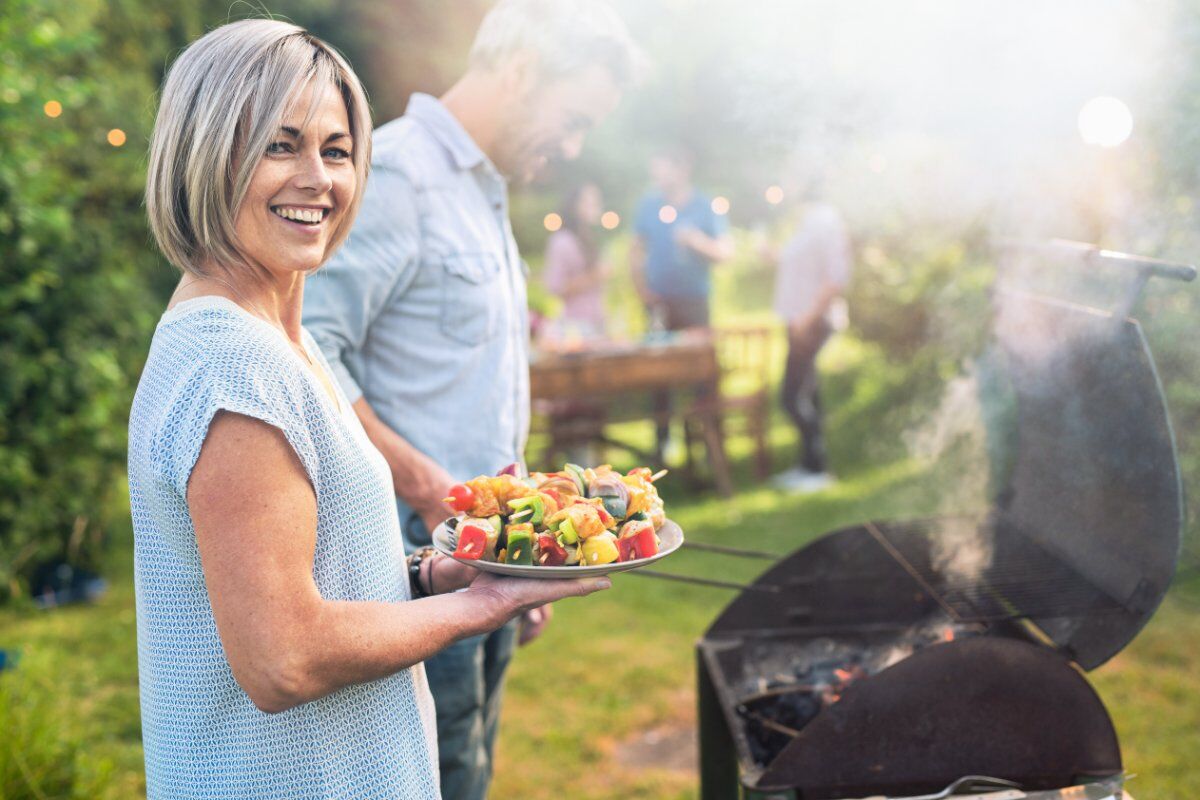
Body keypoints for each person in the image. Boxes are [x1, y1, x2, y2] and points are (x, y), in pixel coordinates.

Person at [129, 20, 609, 799]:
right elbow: (284, 657)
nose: (318, 178)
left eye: (338, 150)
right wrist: (482, 604)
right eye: (279, 146)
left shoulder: (279, 339)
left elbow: (313, 579)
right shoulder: (232, 365)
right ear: (209, 153)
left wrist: (430, 574)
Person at [301, 3, 641, 798]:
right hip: (409, 570)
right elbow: (308, 353)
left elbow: (474, 394)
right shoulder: (394, 174)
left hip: (483, 558)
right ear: (522, 72)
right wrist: (428, 491)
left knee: (471, 770)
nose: (573, 144)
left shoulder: (484, 189)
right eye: (574, 117)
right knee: (436, 776)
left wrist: (518, 545)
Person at [630, 147, 734, 460]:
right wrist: (642, 291)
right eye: (655, 169)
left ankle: (708, 446)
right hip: (658, 303)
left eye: (662, 168)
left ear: (682, 168)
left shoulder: (705, 206)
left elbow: (725, 253)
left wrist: (695, 241)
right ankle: (662, 446)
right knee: (658, 376)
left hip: (695, 302)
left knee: (702, 374)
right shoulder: (649, 205)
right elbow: (635, 251)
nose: (657, 175)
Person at [766, 193, 852, 492]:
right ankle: (810, 466)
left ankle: (817, 468)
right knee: (807, 394)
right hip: (798, 320)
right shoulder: (807, 222)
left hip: (811, 322)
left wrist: (807, 316)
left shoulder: (825, 222)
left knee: (791, 397)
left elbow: (836, 277)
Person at [543, 182, 609, 341]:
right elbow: (555, 286)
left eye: (596, 202)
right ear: (574, 206)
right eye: (589, 202)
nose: (595, 207)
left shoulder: (589, 238)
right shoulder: (562, 240)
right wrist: (593, 276)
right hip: (575, 327)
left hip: (597, 323)